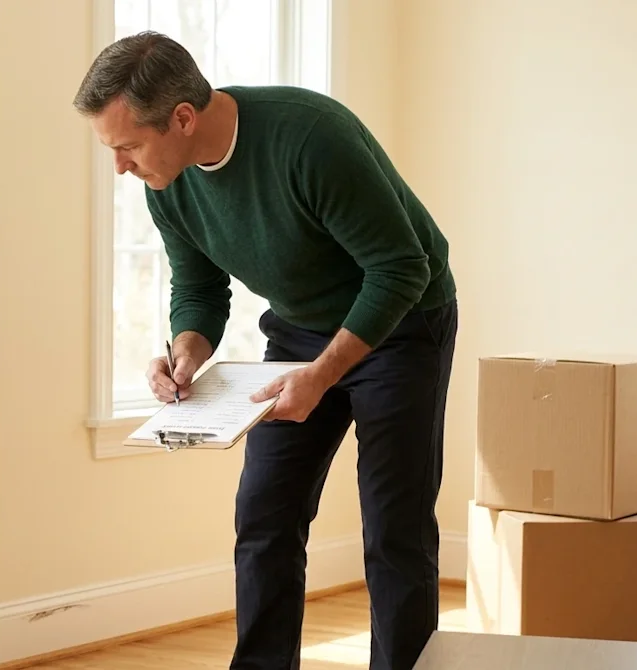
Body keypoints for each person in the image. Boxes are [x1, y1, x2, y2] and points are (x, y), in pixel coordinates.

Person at [72, 31, 458, 670]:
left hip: (402, 324)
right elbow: (197, 286)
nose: (120, 167)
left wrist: (324, 374)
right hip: (300, 332)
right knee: (264, 516)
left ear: (183, 118)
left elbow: (400, 269)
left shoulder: (310, 139)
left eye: (128, 146)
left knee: (395, 529)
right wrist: (187, 351)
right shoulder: (165, 182)